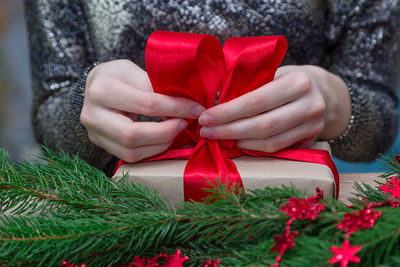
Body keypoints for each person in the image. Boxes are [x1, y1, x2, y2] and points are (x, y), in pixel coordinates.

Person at [24, 1, 400, 175]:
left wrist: (334, 102)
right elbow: (49, 122)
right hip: (117, 219)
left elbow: (380, 121)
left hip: (290, 210)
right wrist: (83, 106)